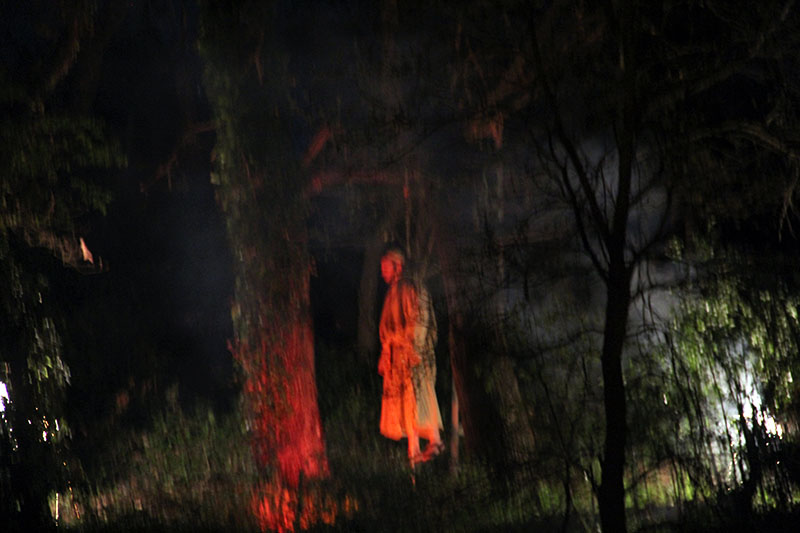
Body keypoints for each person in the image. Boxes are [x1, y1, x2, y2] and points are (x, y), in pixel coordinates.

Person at [378, 247, 444, 466]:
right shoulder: (392, 292)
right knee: (404, 401)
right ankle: (413, 450)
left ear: (397, 266)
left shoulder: (411, 287)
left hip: (410, 353)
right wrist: (387, 351)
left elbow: (420, 319)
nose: (383, 272)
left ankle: (435, 441)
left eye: (386, 267)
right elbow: (386, 328)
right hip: (396, 356)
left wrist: (412, 347)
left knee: (417, 395)